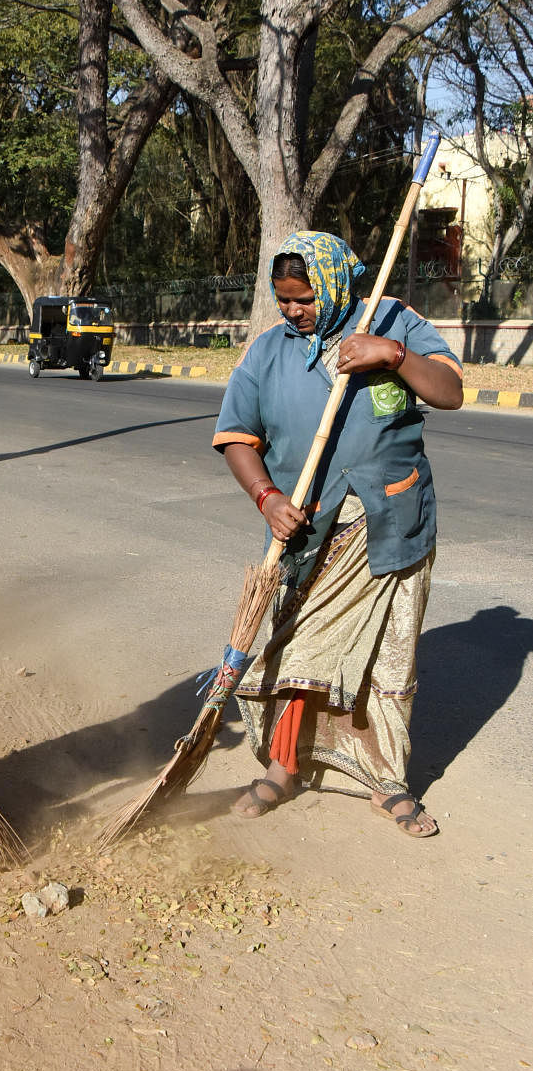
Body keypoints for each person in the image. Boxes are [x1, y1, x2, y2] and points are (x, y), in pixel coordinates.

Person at [212, 231, 463, 838]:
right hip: (311, 533)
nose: (293, 311)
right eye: (284, 301)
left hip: (394, 523)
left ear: (332, 283)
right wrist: (267, 498)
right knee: (298, 655)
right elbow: (238, 437)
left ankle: (388, 782)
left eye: (303, 299)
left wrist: (393, 356)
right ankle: (283, 768)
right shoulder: (268, 353)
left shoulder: (393, 320)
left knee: (387, 659)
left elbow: (451, 392)